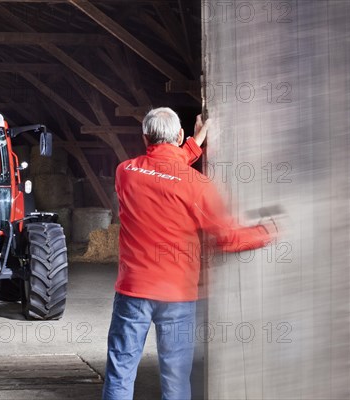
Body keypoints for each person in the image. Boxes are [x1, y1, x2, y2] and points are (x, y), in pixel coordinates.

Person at [102, 108, 277, 400]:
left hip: (133, 292)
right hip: (177, 296)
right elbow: (229, 238)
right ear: (179, 135)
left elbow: (161, 168)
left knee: (120, 372)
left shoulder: (126, 172)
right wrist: (268, 232)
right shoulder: (197, 185)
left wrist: (193, 144)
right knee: (175, 380)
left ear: (145, 137)